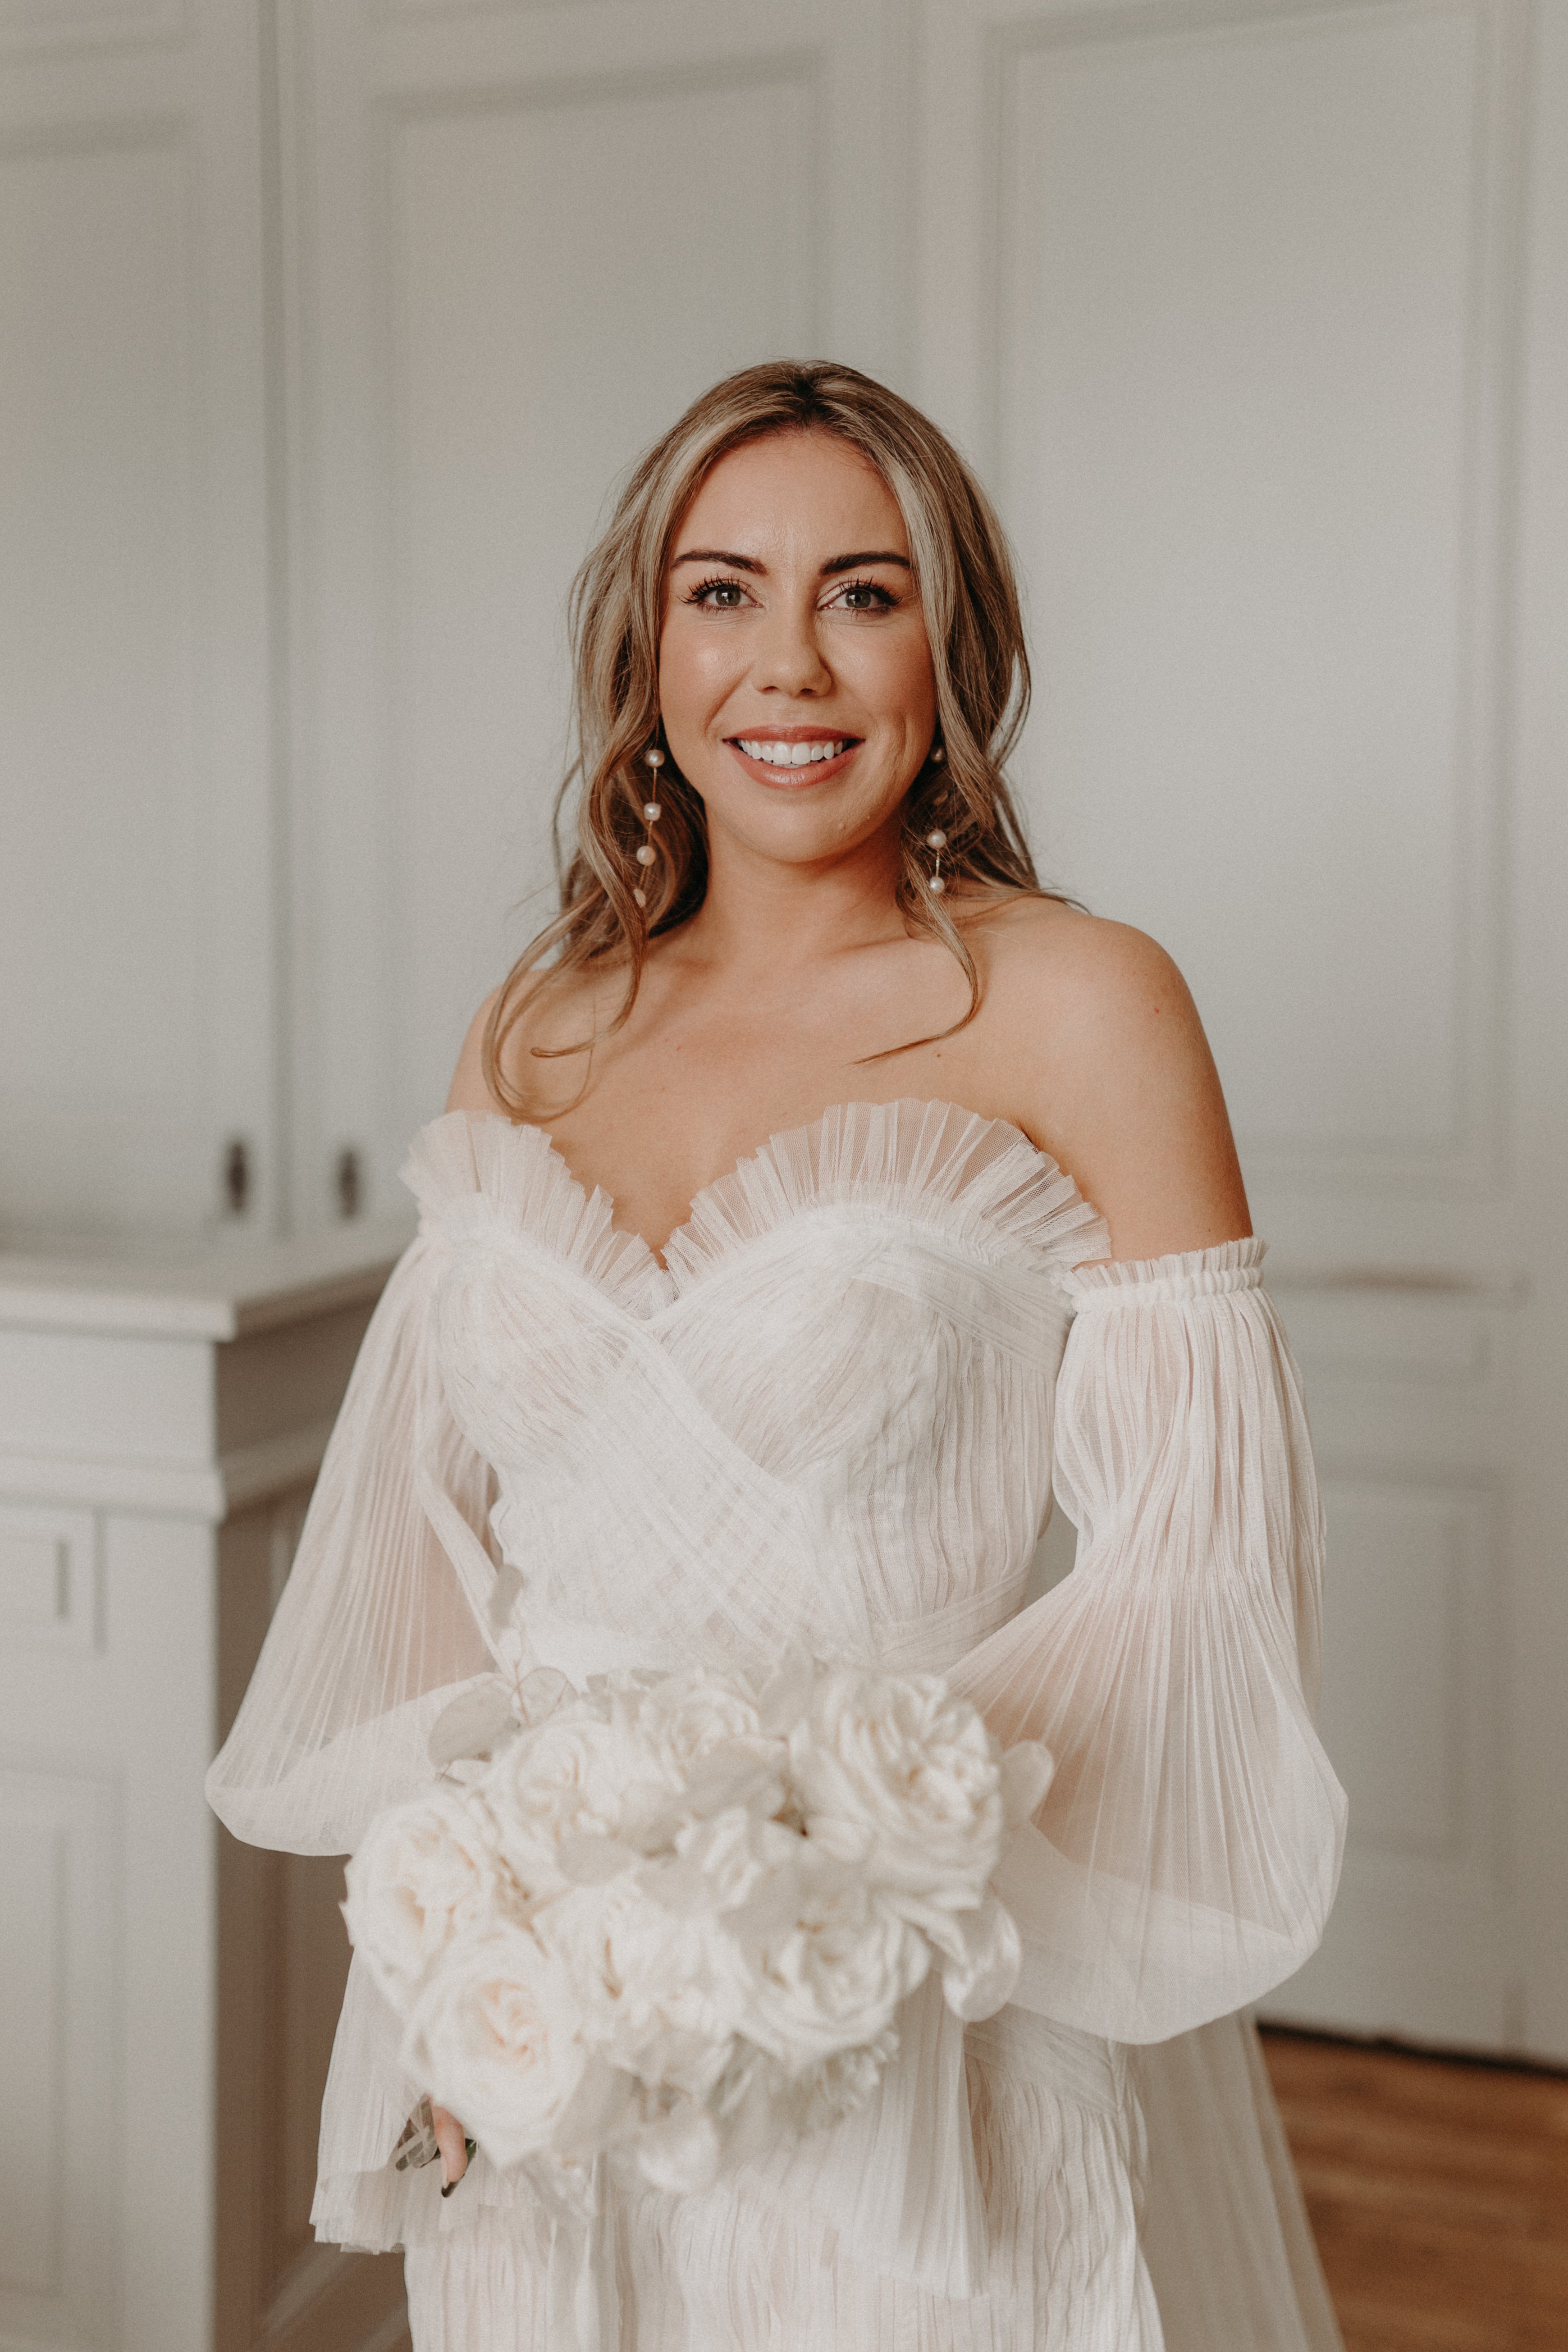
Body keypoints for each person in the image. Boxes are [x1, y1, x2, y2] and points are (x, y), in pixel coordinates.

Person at [208, 360, 1348, 2350]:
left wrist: (813, 1875)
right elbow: (438, 1573)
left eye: (864, 592)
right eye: (724, 592)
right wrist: (474, 1950)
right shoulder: (536, 1026)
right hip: (551, 2050)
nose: (788, 666)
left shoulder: (1081, 1005)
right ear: (646, 651)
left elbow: (1200, 1577)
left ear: (952, 645)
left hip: (896, 2024)